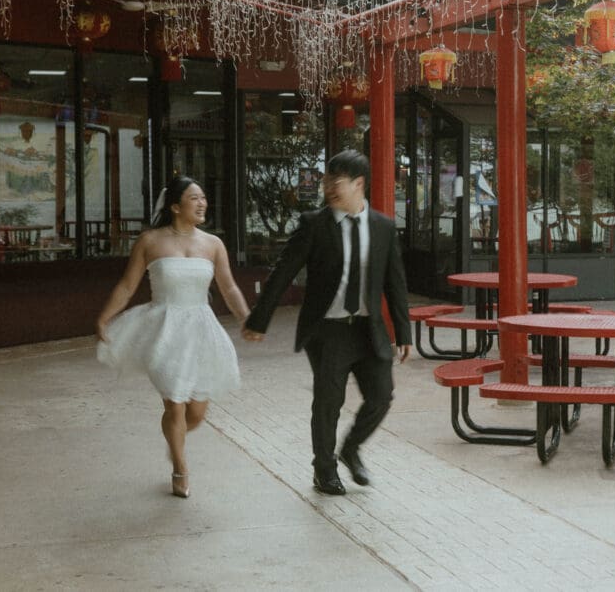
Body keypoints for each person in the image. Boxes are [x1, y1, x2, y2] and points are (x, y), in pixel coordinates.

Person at [242, 150, 411, 496]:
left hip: (367, 328)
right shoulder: (314, 224)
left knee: (381, 396)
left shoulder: (382, 227)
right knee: (328, 401)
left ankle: (350, 449)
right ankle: (324, 469)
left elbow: (395, 282)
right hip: (329, 329)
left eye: (339, 181)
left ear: (359, 184)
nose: (330, 187)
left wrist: (404, 331)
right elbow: (283, 273)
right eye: (327, 179)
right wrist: (259, 319)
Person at [96, 176, 249, 499]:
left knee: (196, 413)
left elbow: (229, 287)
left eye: (204, 197)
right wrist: (105, 317)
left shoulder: (213, 244)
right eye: (195, 198)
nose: (202, 203)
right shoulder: (150, 242)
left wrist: (247, 318)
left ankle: (175, 440)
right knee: (175, 404)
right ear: (176, 206)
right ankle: (180, 468)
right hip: (164, 330)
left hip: (201, 331)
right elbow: (127, 286)